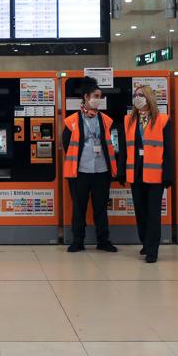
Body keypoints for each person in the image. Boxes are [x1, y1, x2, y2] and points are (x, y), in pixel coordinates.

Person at [61, 77, 118, 253]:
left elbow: (113, 144)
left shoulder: (106, 120)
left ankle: (103, 241)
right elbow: (66, 144)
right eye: (96, 95)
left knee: (101, 208)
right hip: (80, 172)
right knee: (79, 208)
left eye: (100, 96)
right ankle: (78, 240)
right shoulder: (71, 121)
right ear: (86, 97)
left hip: (102, 170)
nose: (98, 99)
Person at [120, 84, 174, 263]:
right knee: (141, 212)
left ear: (149, 98)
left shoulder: (163, 120)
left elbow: (169, 150)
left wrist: (168, 174)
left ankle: (152, 250)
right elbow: (124, 149)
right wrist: (121, 172)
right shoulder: (128, 120)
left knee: (153, 213)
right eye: (135, 95)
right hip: (135, 174)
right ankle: (145, 242)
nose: (137, 98)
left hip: (155, 175)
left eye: (141, 95)